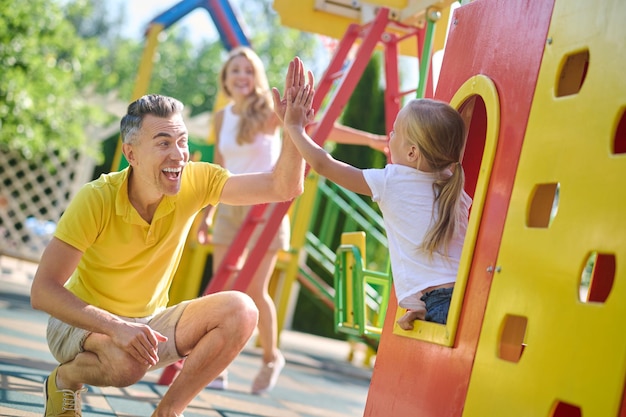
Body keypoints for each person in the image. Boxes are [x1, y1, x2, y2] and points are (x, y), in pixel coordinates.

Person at [30, 57, 314, 417]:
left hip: (148, 323)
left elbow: (283, 186)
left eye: (182, 141)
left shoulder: (196, 181)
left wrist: (294, 130)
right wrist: (116, 327)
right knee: (127, 363)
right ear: (130, 153)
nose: (178, 154)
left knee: (242, 310)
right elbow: (43, 291)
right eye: (163, 143)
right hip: (80, 324)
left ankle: (167, 413)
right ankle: (65, 379)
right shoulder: (96, 198)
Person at [280, 91, 471, 331]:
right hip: (468, 295)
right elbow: (445, 262)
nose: (389, 136)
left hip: (441, 303)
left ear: (412, 153)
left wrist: (294, 127)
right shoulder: (452, 187)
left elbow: (323, 165)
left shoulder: (393, 181)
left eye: (395, 132)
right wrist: (422, 306)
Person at [195, 46, 290, 394]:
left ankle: (270, 357)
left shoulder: (268, 111)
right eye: (236, 70)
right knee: (224, 289)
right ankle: (218, 364)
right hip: (230, 205)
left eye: (249, 71)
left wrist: (369, 140)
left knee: (254, 289)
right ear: (226, 78)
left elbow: (314, 127)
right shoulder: (221, 117)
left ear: (256, 77)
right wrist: (207, 215)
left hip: (264, 208)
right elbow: (217, 171)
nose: (242, 77)